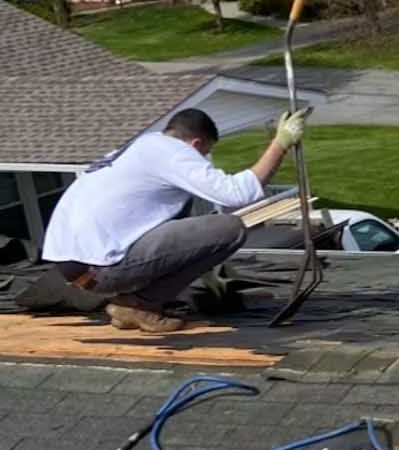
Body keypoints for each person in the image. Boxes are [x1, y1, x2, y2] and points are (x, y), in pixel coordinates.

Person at [42, 107, 307, 334]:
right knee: (231, 228)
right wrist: (280, 143)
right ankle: (138, 305)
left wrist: (205, 267)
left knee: (185, 206)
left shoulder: (142, 146)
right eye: (204, 153)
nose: (202, 159)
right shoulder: (173, 152)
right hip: (101, 268)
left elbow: (168, 221)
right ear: (195, 144)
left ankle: (139, 300)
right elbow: (237, 194)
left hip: (79, 264)